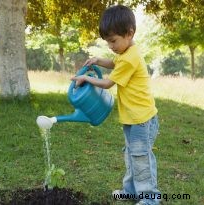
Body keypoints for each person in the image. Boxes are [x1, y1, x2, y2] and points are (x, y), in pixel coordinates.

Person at [71, 5, 161, 205]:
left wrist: (86, 78)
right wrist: (98, 60)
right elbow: (114, 63)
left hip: (141, 119)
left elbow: (107, 83)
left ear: (129, 33)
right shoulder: (126, 52)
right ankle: (130, 191)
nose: (111, 46)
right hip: (133, 117)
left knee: (140, 157)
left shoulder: (130, 58)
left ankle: (150, 198)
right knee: (131, 155)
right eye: (108, 42)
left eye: (113, 41)